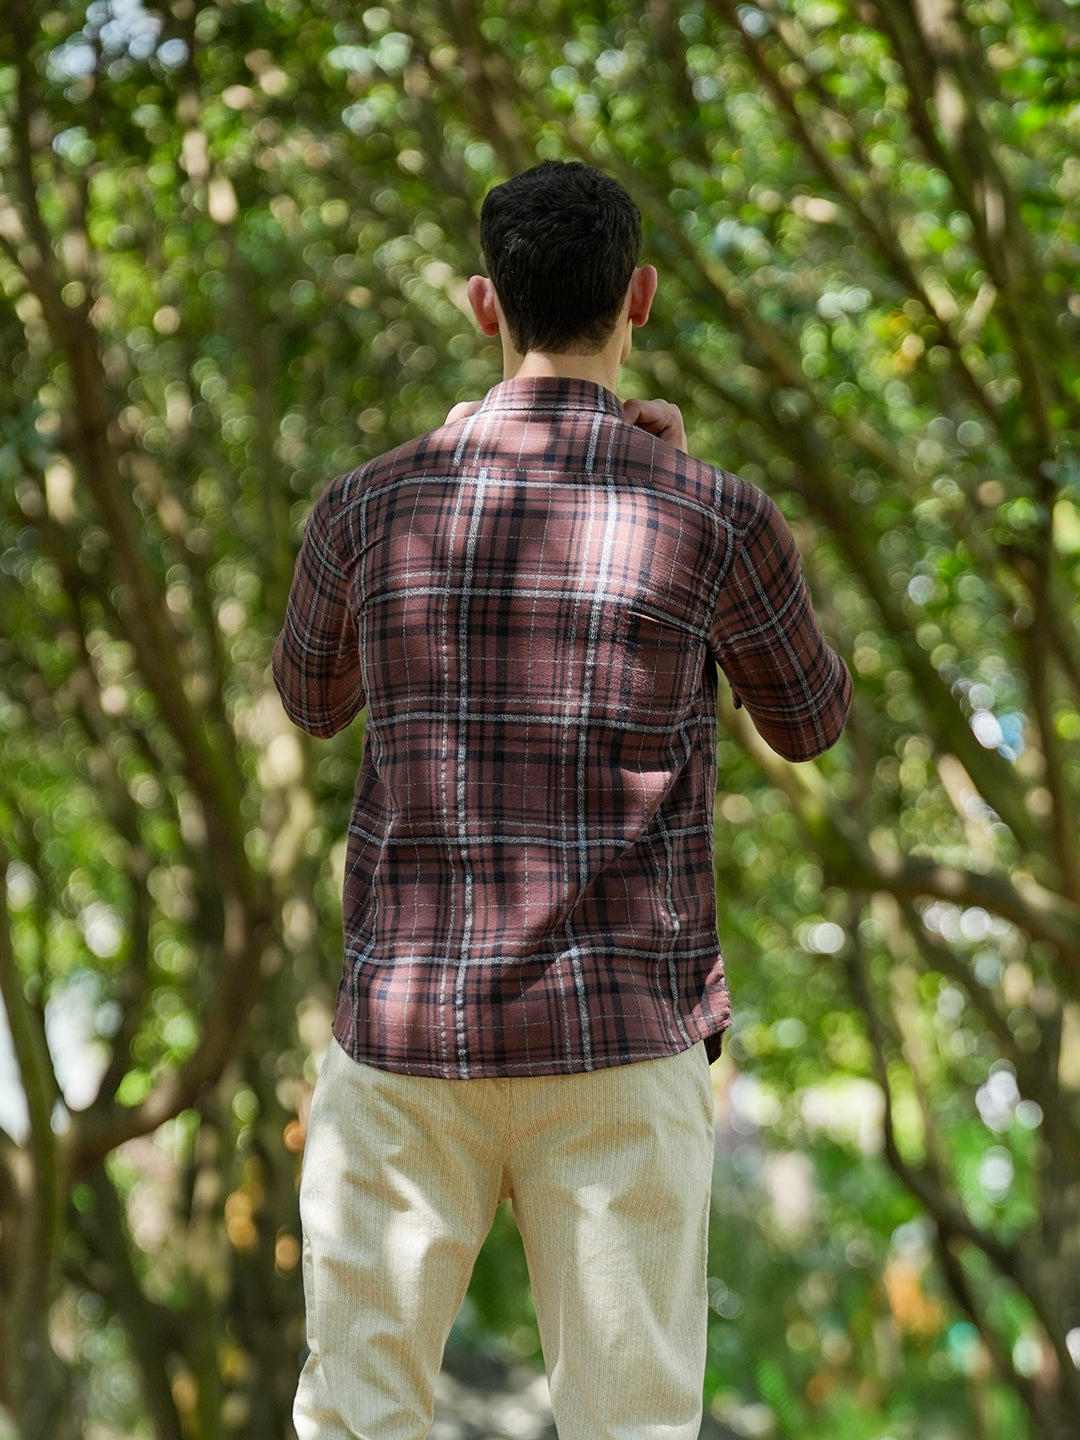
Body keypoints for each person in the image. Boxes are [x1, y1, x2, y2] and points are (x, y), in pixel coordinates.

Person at [272, 159, 851, 1440]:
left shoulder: (368, 507)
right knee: (631, 1424)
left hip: (404, 1041)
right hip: (619, 1043)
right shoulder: (714, 516)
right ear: (637, 297)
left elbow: (311, 701)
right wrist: (697, 524)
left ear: (486, 307)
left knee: (358, 1418)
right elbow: (810, 720)